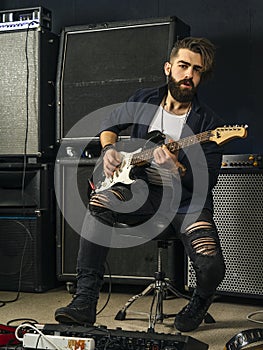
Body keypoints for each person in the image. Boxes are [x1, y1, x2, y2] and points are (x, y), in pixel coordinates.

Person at [55, 37, 226, 332]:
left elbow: (206, 182)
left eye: (196, 70)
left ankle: (200, 300)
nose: (189, 75)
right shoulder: (144, 99)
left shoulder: (209, 124)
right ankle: (84, 301)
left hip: (186, 203)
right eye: (184, 66)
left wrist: (177, 167)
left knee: (210, 264)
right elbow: (109, 126)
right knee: (99, 202)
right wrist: (109, 151)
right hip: (141, 192)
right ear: (168, 67)